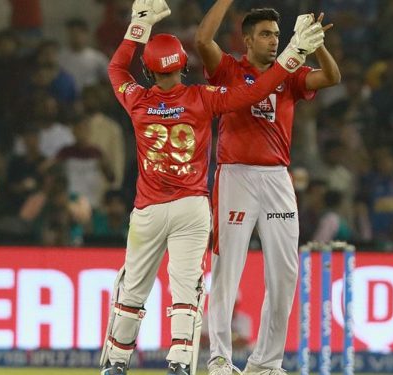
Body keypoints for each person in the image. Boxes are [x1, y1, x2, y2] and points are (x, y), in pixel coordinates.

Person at [99, 1, 326, 375]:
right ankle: (180, 363)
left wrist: (137, 28)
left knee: (133, 289)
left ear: (149, 69)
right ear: (184, 66)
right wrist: (293, 55)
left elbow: (116, 68)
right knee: (188, 290)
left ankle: (117, 362)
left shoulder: (135, 99)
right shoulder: (202, 98)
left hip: (148, 208)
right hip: (191, 206)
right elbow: (254, 93)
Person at [194, 1, 341, 374]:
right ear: (247, 39)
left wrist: (315, 43)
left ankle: (266, 362)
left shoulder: (288, 74)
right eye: (265, 34)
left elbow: (332, 78)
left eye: (277, 35)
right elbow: (201, 39)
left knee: (286, 271)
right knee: (227, 269)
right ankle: (220, 359)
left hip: (277, 177)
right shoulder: (229, 69)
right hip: (236, 175)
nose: (274, 41)